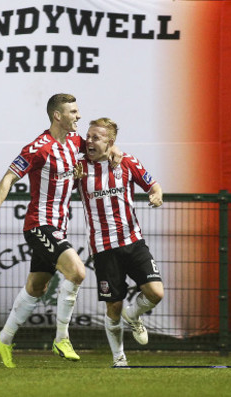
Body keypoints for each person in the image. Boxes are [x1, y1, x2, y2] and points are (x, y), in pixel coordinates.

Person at [0, 94, 120, 368]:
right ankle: (62, 338)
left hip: (59, 226)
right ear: (57, 115)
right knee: (78, 272)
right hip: (39, 224)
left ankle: (4, 339)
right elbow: (9, 176)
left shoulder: (74, 142)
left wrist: (116, 152)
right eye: (73, 111)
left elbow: (99, 148)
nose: (78, 116)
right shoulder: (38, 148)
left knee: (37, 286)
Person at [74, 117, 164, 368]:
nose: (89, 141)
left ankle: (134, 315)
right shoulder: (79, 166)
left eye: (96, 137)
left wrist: (156, 196)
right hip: (103, 248)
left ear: (110, 142)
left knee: (156, 293)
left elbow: (154, 186)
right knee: (113, 305)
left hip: (133, 241)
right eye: (88, 136)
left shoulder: (127, 162)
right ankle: (119, 358)